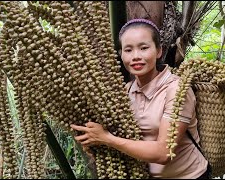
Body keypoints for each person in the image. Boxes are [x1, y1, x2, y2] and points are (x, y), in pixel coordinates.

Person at [70, 18, 210, 179]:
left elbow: (165, 153)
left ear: (159, 51)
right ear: (121, 54)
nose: (136, 56)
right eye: (128, 50)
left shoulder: (177, 89)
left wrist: (107, 139)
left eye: (144, 48)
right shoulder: (125, 91)